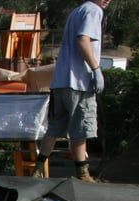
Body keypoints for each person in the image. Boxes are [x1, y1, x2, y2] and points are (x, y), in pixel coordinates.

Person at [33, 0, 110, 183]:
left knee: (54, 129)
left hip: (60, 81)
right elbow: (83, 40)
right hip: (79, 82)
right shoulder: (93, 10)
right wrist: (96, 69)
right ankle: (82, 174)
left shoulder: (77, 11)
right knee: (80, 130)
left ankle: (38, 169)